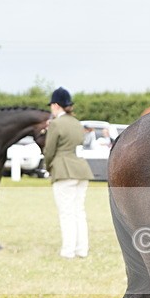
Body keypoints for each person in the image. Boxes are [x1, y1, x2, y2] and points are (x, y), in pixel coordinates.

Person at [44, 87, 94, 259]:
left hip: (63, 170)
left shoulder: (56, 124)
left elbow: (49, 151)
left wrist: (48, 167)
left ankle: (68, 250)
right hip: (81, 169)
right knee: (79, 211)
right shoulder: (76, 123)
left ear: (56, 105)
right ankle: (82, 249)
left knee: (66, 213)